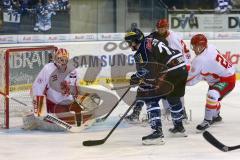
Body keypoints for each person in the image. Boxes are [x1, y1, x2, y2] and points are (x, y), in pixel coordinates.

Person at [124, 28, 188, 145]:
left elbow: (149, 71)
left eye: (130, 42)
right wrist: (140, 78)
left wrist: (136, 78)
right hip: (181, 67)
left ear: (135, 40)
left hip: (170, 70)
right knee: (173, 98)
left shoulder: (140, 52)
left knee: (150, 98)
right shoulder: (150, 39)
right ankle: (179, 128)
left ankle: (157, 133)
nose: (129, 45)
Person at [22, 48, 101, 131]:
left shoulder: (72, 70)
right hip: (52, 103)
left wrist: (79, 98)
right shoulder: (48, 69)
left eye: (64, 59)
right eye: (59, 59)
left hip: (67, 101)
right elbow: (37, 87)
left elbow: (75, 88)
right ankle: (34, 117)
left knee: (78, 111)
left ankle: (87, 117)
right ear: (55, 59)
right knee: (63, 115)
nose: (61, 61)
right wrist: (40, 107)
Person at [187, 34, 236, 131]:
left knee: (212, 95)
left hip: (227, 79)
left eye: (197, 46)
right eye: (194, 46)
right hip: (221, 77)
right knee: (213, 98)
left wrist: (178, 82)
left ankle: (207, 120)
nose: (194, 49)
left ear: (203, 46)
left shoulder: (199, 60)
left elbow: (190, 79)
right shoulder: (211, 47)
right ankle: (216, 116)